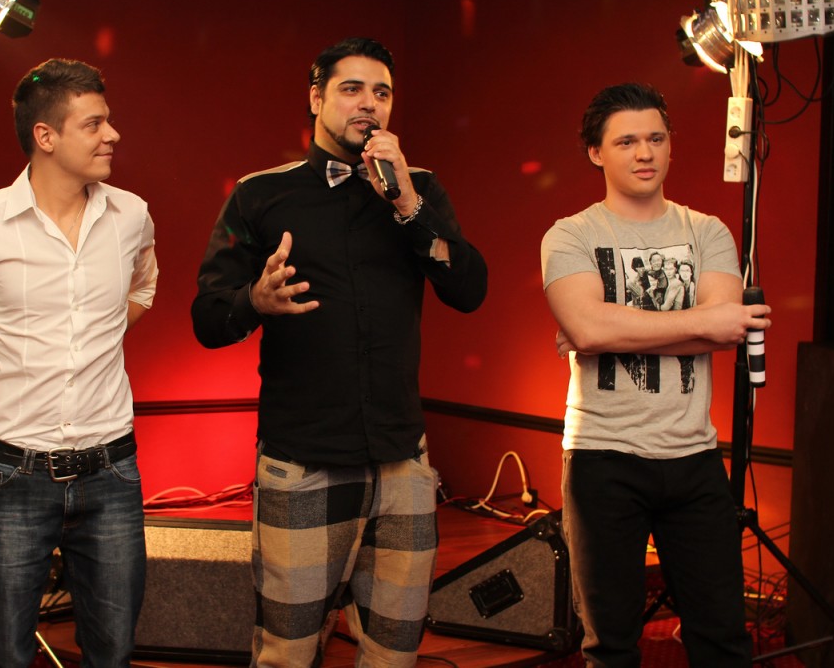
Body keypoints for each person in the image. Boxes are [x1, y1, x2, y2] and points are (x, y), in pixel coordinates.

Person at [191, 37, 487, 667]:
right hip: (303, 461)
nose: (368, 104)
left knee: (395, 653)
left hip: (402, 463)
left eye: (382, 92)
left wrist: (407, 204)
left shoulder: (420, 190)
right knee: (287, 653)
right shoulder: (259, 195)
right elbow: (208, 320)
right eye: (351, 89)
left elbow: (468, 289)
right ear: (316, 99)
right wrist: (255, 301)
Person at [0, 58, 158, 667]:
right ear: (45, 136)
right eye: (94, 124)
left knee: (113, 652)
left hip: (112, 471)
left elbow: (143, 288)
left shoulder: (131, 215)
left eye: (108, 121)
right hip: (12, 476)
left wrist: (93, 338)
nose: (112, 135)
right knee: (3, 654)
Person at [540, 83, 771, 667]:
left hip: (695, 458)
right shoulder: (571, 235)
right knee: (610, 645)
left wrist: (609, 326)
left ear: (670, 145)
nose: (644, 153)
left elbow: (725, 331)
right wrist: (698, 321)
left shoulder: (708, 231)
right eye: (626, 142)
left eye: (655, 138)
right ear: (596, 152)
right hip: (602, 458)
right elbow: (590, 330)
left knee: (723, 640)